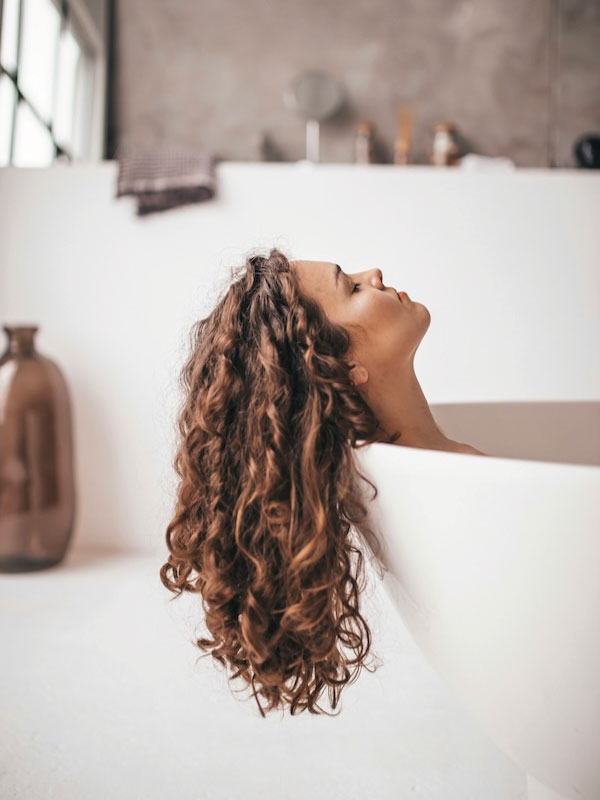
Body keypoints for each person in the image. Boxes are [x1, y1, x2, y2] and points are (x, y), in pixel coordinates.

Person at [159, 247, 486, 720]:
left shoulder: (435, 468)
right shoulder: (456, 483)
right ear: (345, 368)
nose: (373, 273)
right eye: (352, 288)